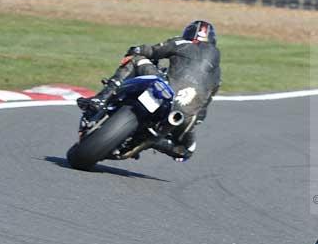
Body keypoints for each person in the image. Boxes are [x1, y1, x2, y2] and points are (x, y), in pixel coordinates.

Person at [76, 20, 221, 161]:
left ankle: (101, 99)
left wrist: (136, 49)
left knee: (136, 59)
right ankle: (151, 141)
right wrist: (192, 122)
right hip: (185, 117)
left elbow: (152, 51)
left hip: (166, 89)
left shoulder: (183, 43)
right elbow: (204, 106)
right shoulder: (217, 74)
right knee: (186, 150)